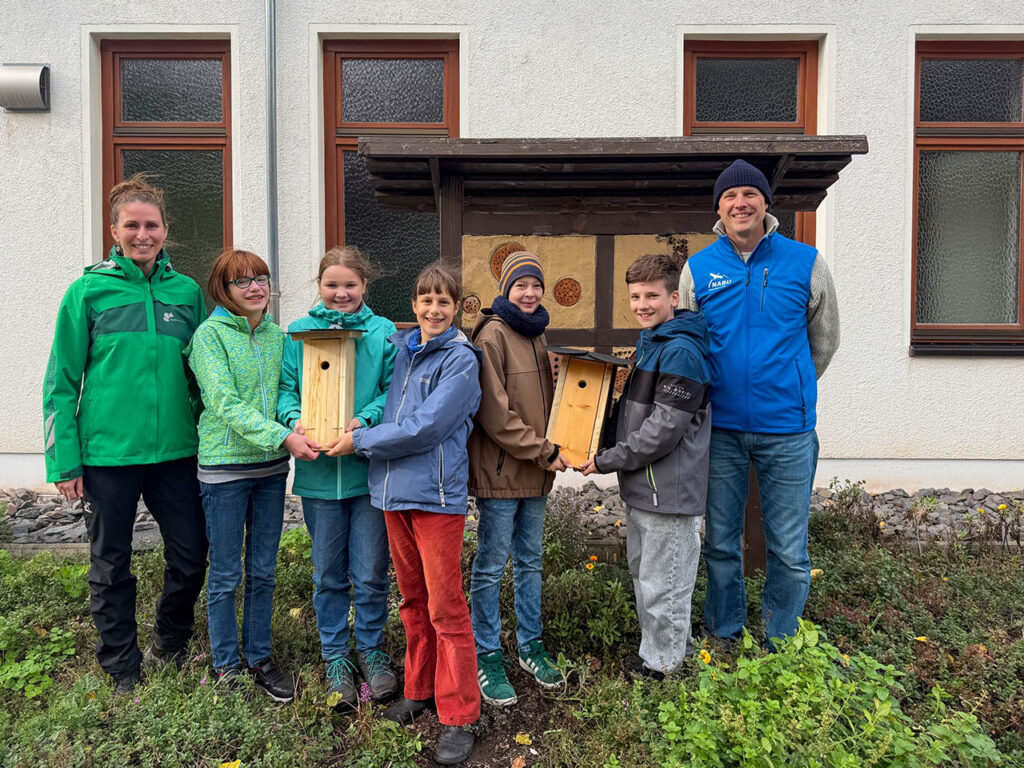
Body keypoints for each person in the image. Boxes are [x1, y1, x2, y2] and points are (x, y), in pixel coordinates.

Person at [42, 174, 209, 693]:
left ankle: (170, 643)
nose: (143, 234)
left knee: (191, 555)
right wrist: (64, 461)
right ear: (114, 231)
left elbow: (203, 377)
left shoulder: (186, 293)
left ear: (165, 230)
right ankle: (121, 665)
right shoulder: (87, 292)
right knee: (110, 564)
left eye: (151, 225)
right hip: (107, 456)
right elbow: (60, 382)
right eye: (131, 225)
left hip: (176, 454)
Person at [679, 159, 840, 647]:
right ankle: (725, 634)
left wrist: (789, 385)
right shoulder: (698, 268)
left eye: (749, 194)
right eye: (729, 196)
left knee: (789, 549)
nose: (740, 203)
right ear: (719, 208)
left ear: (766, 203)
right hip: (720, 429)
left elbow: (824, 341)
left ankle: (780, 641)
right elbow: (687, 344)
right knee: (720, 542)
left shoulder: (806, 262)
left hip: (788, 430)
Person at [326, 264, 481, 765]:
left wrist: (359, 441)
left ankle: (459, 713)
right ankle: (419, 689)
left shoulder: (460, 360)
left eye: (443, 302)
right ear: (413, 305)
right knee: (413, 600)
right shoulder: (402, 350)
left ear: (456, 309)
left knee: (446, 607)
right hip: (392, 494)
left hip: (435, 496)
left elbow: (425, 427)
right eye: (425, 301)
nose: (433, 310)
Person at [187, 249, 319, 702]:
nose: (255, 287)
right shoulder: (209, 337)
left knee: (263, 571)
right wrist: (283, 436)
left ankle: (260, 658)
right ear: (222, 289)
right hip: (224, 468)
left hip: (270, 470)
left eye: (261, 278)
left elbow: (287, 391)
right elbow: (223, 402)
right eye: (242, 281)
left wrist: (295, 422)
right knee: (226, 573)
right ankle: (226, 666)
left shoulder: (277, 336)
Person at [277, 246, 399, 706]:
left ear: (365, 285)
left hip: (368, 474)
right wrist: (296, 421)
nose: (341, 293)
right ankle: (335, 656)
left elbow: (392, 390)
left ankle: (370, 649)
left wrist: (364, 421)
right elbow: (287, 388)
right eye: (332, 285)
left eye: (350, 284)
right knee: (329, 573)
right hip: (319, 475)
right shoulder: (299, 333)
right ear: (319, 286)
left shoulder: (383, 332)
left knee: (370, 572)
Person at [580, 254, 711, 679]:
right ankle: (666, 653)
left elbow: (662, 431)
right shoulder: (652, 343)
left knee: (664, 584)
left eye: (652, 295)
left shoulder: (681, 351)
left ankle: (664, 670)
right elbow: (631, 415)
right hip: (645, 487)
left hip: (668, 492)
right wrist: (596, 440)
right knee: (647, 576)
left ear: (674, 297)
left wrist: (607, 459)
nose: (641, 304)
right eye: (635, 296)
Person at [466, 252, 570, 706]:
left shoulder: (536, 332)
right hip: (503, 472)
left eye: (536, 285)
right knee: (491, 566)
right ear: (506, 289)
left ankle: (530, 645)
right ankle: (487, 654)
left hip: (536, 472)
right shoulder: (492, 334)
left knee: (530, 560)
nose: (529, 293)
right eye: (520, 285)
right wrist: (545, 451)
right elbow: (495, 414)